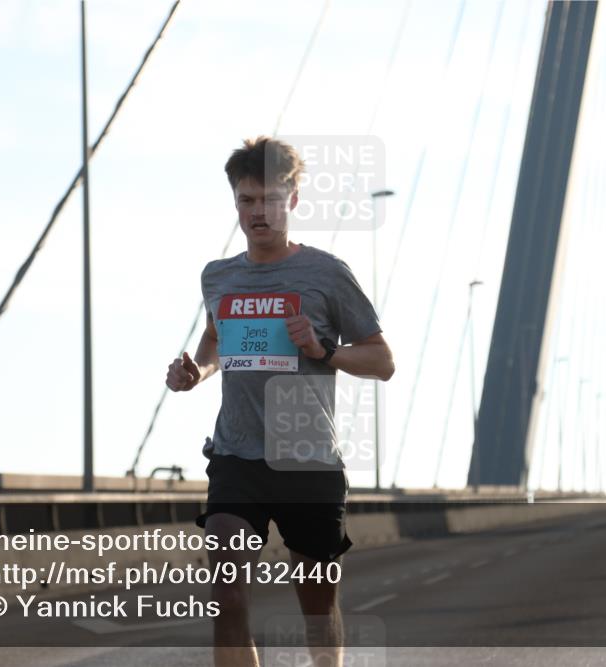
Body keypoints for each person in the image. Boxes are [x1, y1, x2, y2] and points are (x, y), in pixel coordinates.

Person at [165, 136, 395, 667]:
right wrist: (194, 371)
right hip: (237, 456)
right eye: (246, 200)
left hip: (308, 459)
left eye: (269, 199)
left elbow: (383, 361)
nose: (257, 212)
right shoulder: (218, 277)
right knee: (226, 594)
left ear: (292, 200)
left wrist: (323, 351)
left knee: (317, 609)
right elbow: (216, 339)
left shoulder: (326, 274)